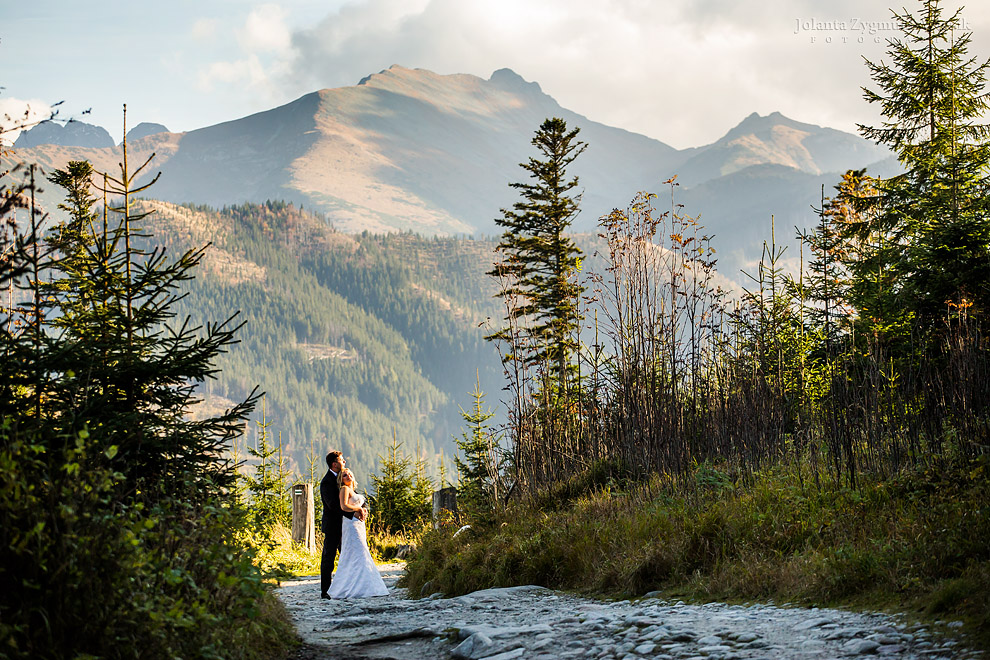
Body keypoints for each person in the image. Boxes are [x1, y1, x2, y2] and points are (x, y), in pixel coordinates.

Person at [327, 468, 388, 598]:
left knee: (360, 550)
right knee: (358, 551)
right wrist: (359, 508)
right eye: (344, 475)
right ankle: (353, 586)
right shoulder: (344, 489)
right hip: (351, 525)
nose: (348, 476)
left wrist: (363, 510)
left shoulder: (353, 490)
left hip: (358, 524)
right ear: (341, 479)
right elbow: (343, 506)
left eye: (350, 474)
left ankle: (365, 584)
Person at [320, 451, 365, 599]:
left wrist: (362, 510)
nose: (344, 462)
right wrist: (354, 514)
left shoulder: (345, 479)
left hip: (348, 526)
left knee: (348, 557)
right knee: (329, 557)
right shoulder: (327, 482)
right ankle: (326, 591)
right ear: (334, 464)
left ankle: (349, 587)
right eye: (342, 460)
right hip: (334, 526)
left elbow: (355, 498)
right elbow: (333, 505)